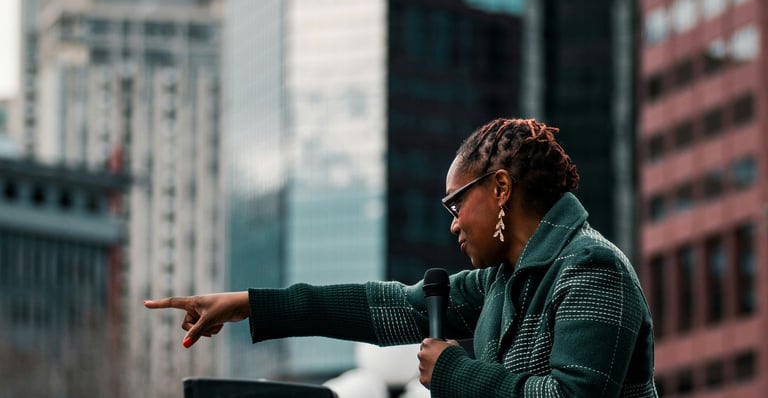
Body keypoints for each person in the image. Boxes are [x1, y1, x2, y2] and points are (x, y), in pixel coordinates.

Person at [145, 117, 658, 397]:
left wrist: (455, 373)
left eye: (457, 203)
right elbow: (385, 307)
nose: (453, 222)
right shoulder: (502, 281)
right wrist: (249, 305)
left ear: (501, 188)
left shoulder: (592, 269)